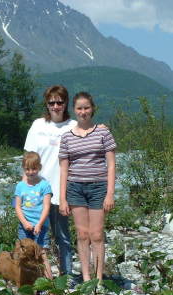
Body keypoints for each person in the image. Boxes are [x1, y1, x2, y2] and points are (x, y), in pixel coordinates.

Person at [58, 92, 116, 281]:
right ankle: (86, 278)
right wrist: (62, 198)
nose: (83, 112)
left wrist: (110, 194)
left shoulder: (103, 132)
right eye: (79, 108)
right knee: (82, 235)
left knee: (97, 235)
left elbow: (112, 165)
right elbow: (64, 169)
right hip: (75, 188)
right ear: (74, 110)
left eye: (86, 108)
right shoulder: (67, 137)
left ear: (93, 109)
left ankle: (98, 279)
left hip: (98, 187)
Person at [24, 85, 76, 277]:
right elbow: (28, 159)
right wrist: (23, 190)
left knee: (63, 237)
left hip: (63, 192)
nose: (55, 106)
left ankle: (67, 276)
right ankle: (41, 279)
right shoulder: (38, 125)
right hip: (38, 192)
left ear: (65, 103)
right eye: (51, 102)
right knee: (38, 238)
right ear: (46, 104)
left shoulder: (73, 126)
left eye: (59, 102)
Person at [15, 151, 53, 279]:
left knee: (42, 255)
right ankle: (28, 283)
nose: (31, 172)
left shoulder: (45, 185)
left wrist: (39, 224)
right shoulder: (20, 186)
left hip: (40, 226)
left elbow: (47, 207)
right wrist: (25, 223)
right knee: (23, 254)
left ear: (39, 168)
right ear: (23, 169)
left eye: (34, 168)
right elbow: (18, 207)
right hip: (24, 226)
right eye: (27, 169)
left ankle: (49, 286)